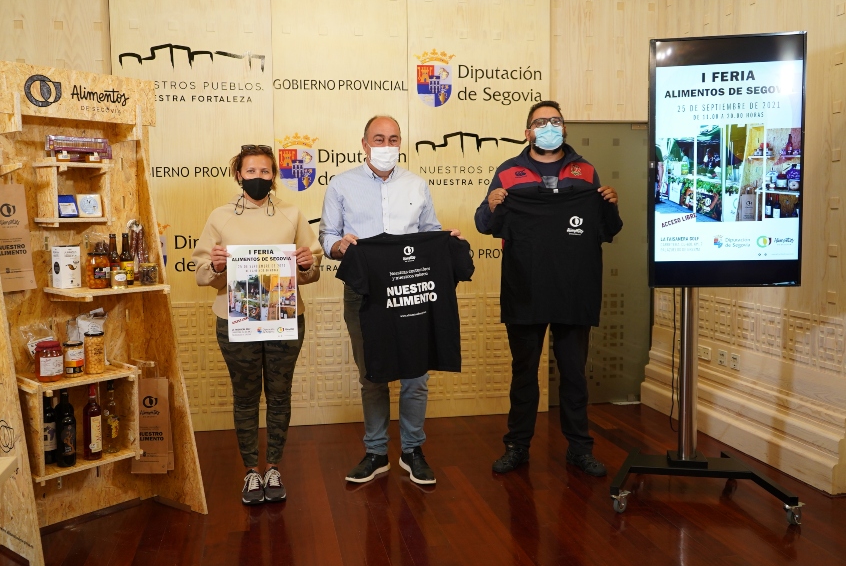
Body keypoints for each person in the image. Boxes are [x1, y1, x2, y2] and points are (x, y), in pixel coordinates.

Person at [474, 100, 621, 477]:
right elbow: (484, 224)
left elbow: (608, 229)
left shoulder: (585, 172)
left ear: (565, 128)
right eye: (540, 122)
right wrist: (491, 204)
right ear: (527, 132)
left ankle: (579, 448)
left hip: (573, 289)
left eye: (555, 121)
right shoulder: (508, 171)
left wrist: (608, 204)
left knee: (574, 373)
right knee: (524, 372)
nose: (549, 126)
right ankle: (517, 446)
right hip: (525, 288)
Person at [318, 115, 461, 486]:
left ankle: (412, 451)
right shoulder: (341, 184)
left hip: (411, 291)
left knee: (417, 376)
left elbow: (430, 232)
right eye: (378, 139)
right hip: (365, 292)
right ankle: (376, 452)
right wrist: (340, 246)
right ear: (364, 144)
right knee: (372, 375)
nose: (386, 145)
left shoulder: (416, 184)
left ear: (400, 143)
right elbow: (327, 236)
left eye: (393, 138)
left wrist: (446, 242)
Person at [193, 144, 322, 504]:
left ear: (274, 175)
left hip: (285, 317)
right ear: (239, 174)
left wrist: (306, 263)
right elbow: (201, 274)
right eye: (251, 171)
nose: (258, 177)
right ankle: (251, 470)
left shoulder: (292, 214)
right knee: (245, 396)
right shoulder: (220, 217)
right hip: (237, 320)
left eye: (265, 171)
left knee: (280, 394)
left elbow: (312, 270)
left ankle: (274, 466)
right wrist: (216, 266)